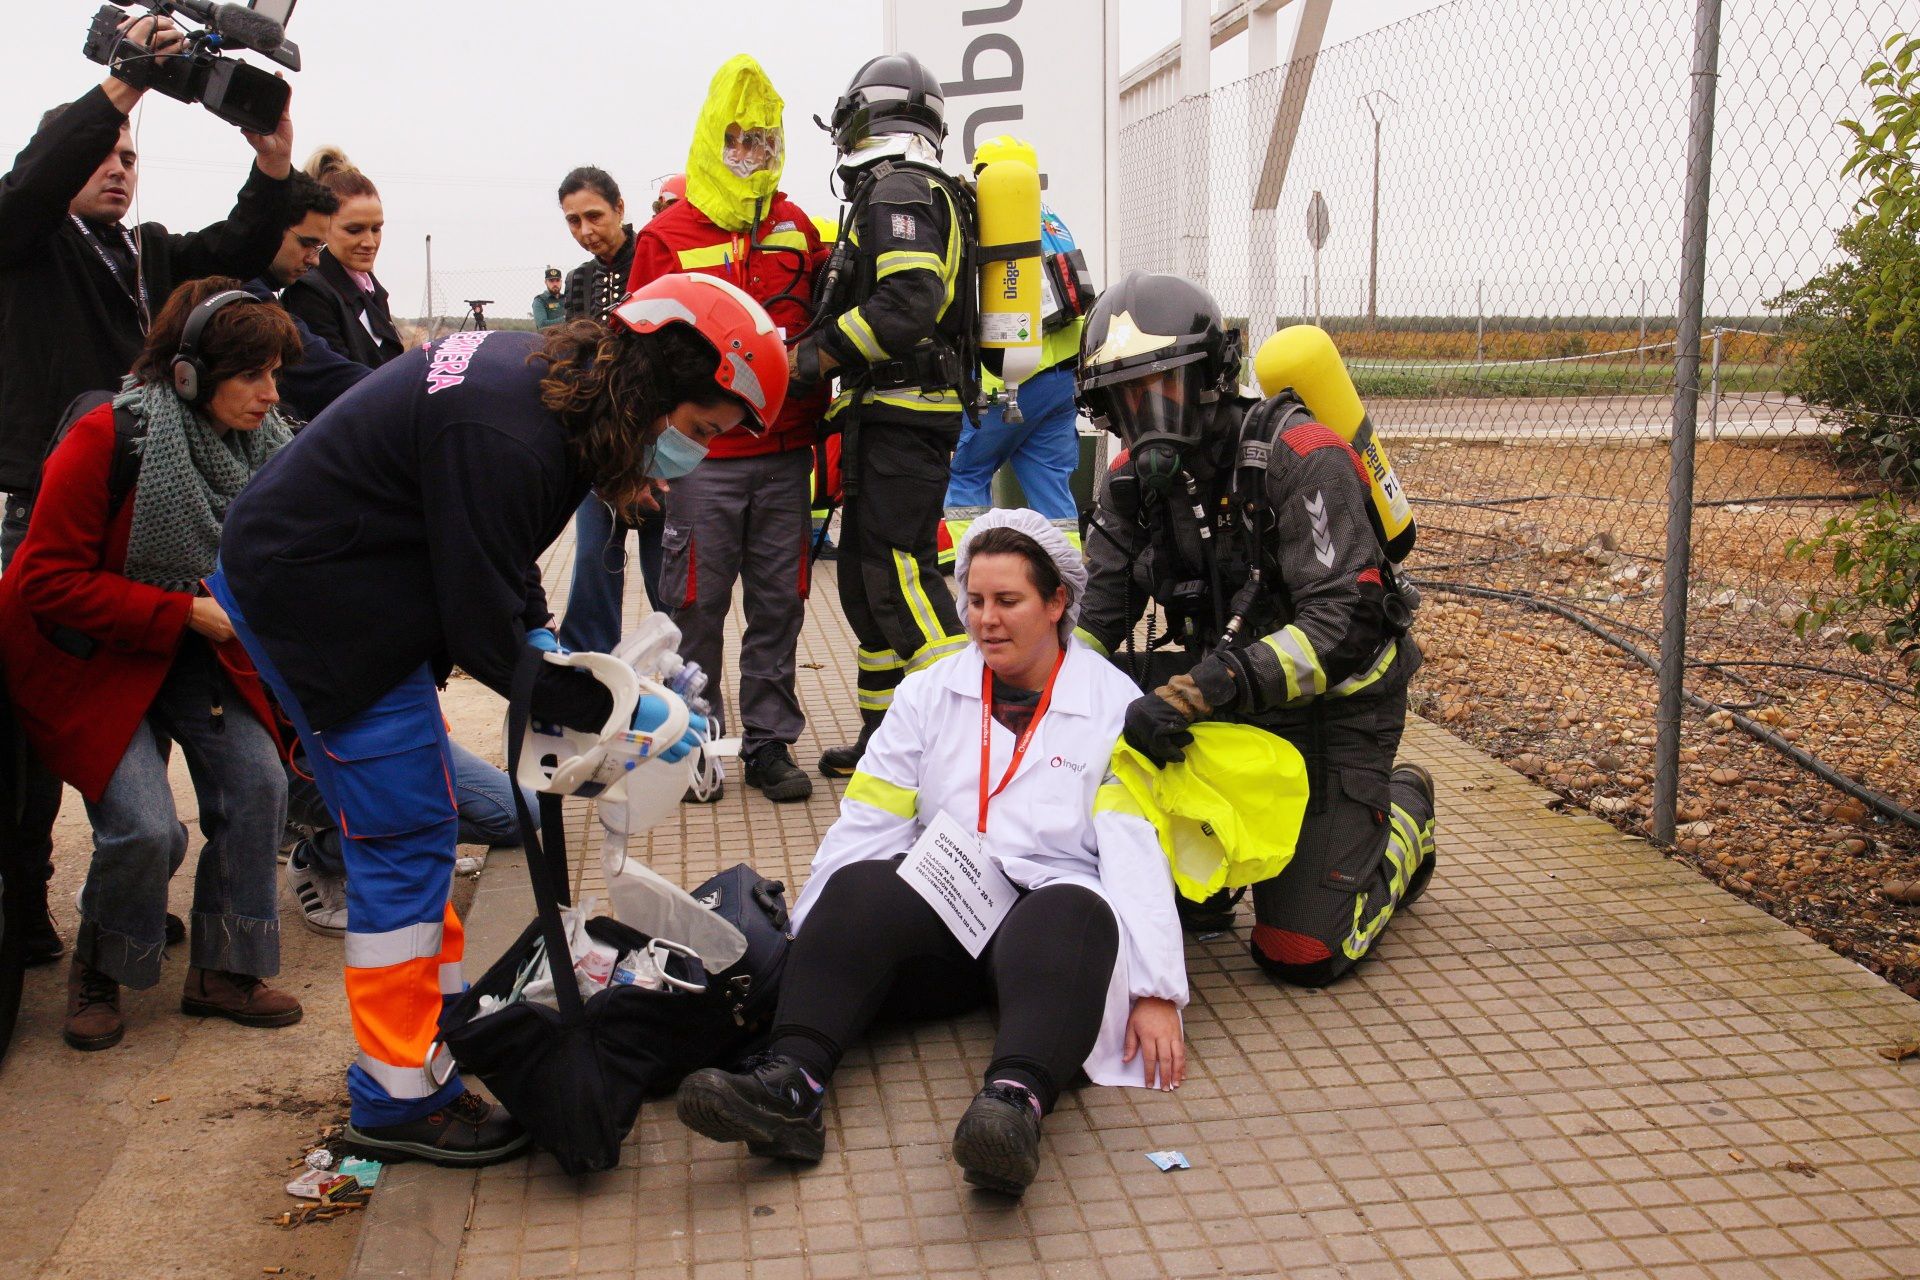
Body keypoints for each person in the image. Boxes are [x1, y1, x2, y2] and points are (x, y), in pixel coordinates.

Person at [209, 272, 787, 1166]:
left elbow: (502, 562)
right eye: (700, 429)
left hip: (338, 576)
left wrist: (557, 655)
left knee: (424, 829)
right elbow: (482, 626)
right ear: (664, 380)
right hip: (319, 602)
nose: (694, 457)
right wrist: (617, 711)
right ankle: (398, 1097)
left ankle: (440, 1031)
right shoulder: (510, 430)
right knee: (403, 837)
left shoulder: (547, 393)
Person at [676, 510, 1185, 1196]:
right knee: (859, 886)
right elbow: (869, 819)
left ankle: (1010, 1112)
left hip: (1050, 928)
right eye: (974, 601)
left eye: (1008, 602)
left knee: (1073, 912)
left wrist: (1156, 990)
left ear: (1057, 601)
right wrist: (810, 941)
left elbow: (1134, 851)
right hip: (951, 906)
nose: (986, 621)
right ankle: (789, 1088)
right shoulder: (930, 689)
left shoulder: (1109, 703)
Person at [0, 13, 294, 970]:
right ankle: (27, 903)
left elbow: (245, 244)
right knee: (38, 740)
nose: (119, 167)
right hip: (47, 513)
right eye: (104, 152)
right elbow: (39, 178)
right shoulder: (26, 243)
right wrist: (125, 82)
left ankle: (140, 908)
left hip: (150, 526)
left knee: (164, 724)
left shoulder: (147, 257)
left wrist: (273, 161)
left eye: (132, 157)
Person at [1073, 271, 1438, 986]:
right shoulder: (1127, 485)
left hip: (1338, 709)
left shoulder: (1301, 455)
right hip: (1231, 706)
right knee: (1176, 905)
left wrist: (1201, 690)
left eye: (1160, 388)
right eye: (1123, 397)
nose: (1143, 415)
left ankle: (1404, 816)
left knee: (1301, 951)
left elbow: (1344, 624)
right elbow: (1091, 620)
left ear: (1210, 378)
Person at [0, 279, 307, 1051]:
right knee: (144, 831)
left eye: (276, 373)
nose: (271, 395)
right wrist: (180, 611)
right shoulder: (110, 437)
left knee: (259, 784)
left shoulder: (262, 445)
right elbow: (42, 580)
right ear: (188, 373)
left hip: (190, 653)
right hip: (92, 658)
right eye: (253, 376)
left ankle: (223, 972)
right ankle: (102, 968)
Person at [628, 55, 827, 804]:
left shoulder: (797, 227)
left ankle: (771, 745)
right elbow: (641, 352)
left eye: (765, 140)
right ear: (713, 137)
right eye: (738, 138)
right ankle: (695, 741)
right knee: (696, 605)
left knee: (781, 603)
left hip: (785, 454)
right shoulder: (666, 233)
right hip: (701, 460)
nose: (752, 154)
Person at [789, 53, 973, 777]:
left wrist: (817, 356)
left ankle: (965, 735)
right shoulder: (910, 187)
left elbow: (908, 302)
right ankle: (886, 741)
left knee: (900, 574)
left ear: (861, 118)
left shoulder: (900, 189)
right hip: (886, 412)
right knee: (870, 592)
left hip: (907, 412)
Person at [945, 136, 1088, 522]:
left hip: (1009, 375)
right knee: (1051, 490)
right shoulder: (1051, 219)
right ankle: (1067, 577)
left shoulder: (997, 217)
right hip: (1062, 379)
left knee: (965, 475)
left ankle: (972, 575)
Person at [556, 165, 664, 643]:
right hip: (598, 442)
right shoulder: (580, 279)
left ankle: (682, 677)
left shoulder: (657, 257)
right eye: (573, 221)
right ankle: (591, 678)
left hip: (657, 443)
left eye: (594, 216)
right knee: (592, 565)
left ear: (620, 208)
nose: (585, 231)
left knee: (668, 580)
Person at [241, 171, 370, 423]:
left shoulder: (259, 287)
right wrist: (405, 389)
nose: (314, 259)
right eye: (306, 244)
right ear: (268, 228)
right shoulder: (241, 293)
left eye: (319, 247)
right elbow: (315, 365)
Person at [282, 148, 403, 370]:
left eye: (376, 229)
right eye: (354, 230)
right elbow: (334, 380)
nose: (369, 242)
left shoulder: (371, 291)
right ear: (323, 227)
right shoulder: (309, 293)